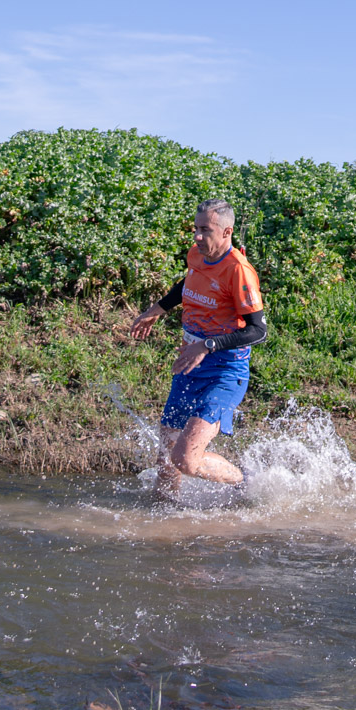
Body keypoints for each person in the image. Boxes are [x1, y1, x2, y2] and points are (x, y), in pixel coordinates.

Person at [130, 199, 267, 494]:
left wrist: (207, 345)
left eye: (205, 230)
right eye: (196, 228)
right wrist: (157, 310)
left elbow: (258, 331)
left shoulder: (238, 270)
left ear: (227, 232)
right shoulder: (197, 254)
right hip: (190, 364)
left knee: (185, 460)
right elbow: (188, 283)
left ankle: (244, 481)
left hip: (224, 371)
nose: (197, 236)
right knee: (166, 459)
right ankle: (163, 517)